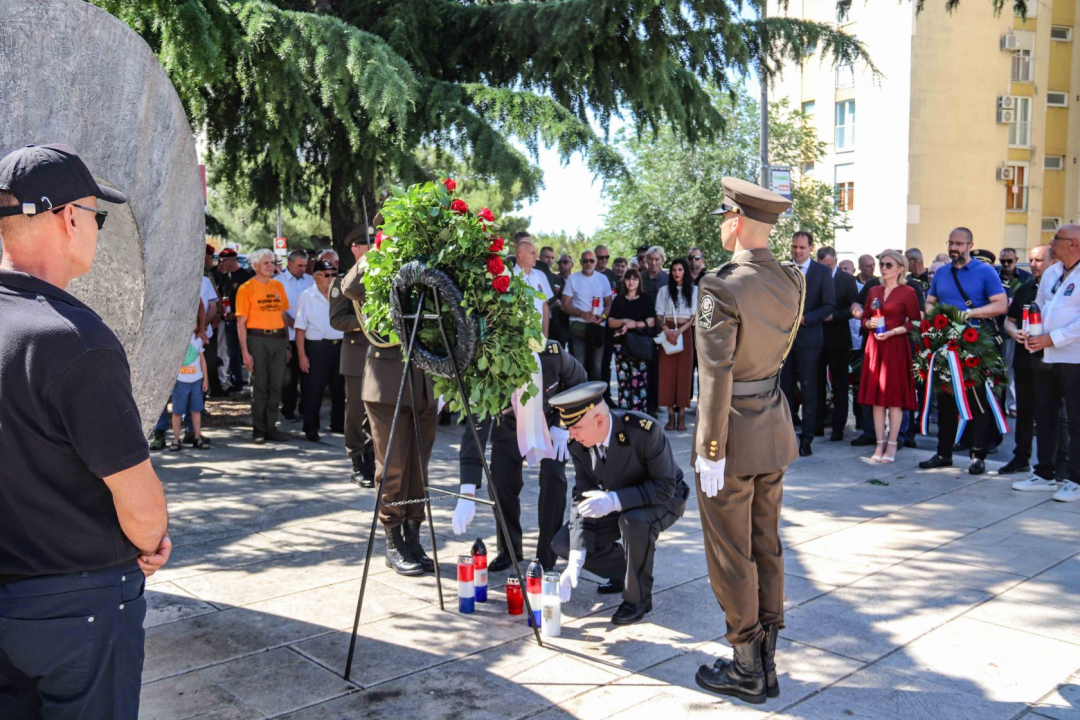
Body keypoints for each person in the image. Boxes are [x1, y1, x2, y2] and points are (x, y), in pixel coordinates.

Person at [0, 143, 170, 717]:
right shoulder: (72, 339)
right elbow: (139, 502)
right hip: (80, 607)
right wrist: (150, 542)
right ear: (69, 217)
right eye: (97, 215)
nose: (97, 228)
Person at [693, 177, 803, 703]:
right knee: (767, 546)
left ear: (735, 222)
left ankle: (745, 663)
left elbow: (716, 375)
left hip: (732, 438)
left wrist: (708, 449)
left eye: (723, 217)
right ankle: (769, 660)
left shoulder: (721, 286)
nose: (721, 225)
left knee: (732, 554)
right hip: (773, 430)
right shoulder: (792, 281)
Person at [551, 382, 689, 625]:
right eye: (569, 428)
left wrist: (615, 500)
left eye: (576, 427)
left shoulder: (644, 430)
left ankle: (638, 599)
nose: (571, 434)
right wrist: (575, 559)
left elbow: (665, 487)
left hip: (661, 498)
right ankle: (627, 573)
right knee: (564, 542)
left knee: (633, 521)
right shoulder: (579, 445)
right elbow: (582, 495)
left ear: (600, 421)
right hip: (612, 500)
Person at [452, 340, 587, 571]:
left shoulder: (551, 353)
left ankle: (547, 556)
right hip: (509, 426)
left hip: (551, 422)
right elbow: (474, 433)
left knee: (553, 479)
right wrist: (466, 492)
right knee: (501, 481)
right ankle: (509, 550)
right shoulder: (485, 368)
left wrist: (566, 424)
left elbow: (580, 381)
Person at [341, 260, 439, 574]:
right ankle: (393, 539)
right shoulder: (379, 263)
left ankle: (413, 535)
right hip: (387, 381)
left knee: (418, 467)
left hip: (424, 382)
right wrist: (375, 254)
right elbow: (349, 288)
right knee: (393, 466)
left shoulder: (427, 261)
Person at [919, 228, 1007, 475]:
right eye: (951, 243)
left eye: (959, 243)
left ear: (970, 245)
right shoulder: (943, 272)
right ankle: (943, 453)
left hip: (973, 343)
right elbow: (930, 301)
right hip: (945, 343)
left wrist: (968, 314)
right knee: (945, 400)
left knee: (976, 400)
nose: (954, 248)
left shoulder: (985, 271)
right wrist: (933, 316)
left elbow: (1001, 304)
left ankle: (978, 455)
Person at [1014, 226, 1080, 502]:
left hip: (1073, 358)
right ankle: (1044, 473)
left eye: (1057, 239)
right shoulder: (1052, 271)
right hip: (1044, 355)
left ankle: (1075, 480)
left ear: (1075, 244)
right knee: (1044, 414)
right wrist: (1030, 333)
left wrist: (1051, 339)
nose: (1051, 243)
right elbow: (1038, 306)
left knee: (1076, 421)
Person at [856, 250, 921, 463]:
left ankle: (892, 444)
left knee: (894, 399)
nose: (883, 268)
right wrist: (868, 323)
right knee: (876, 400)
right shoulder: (874, 289)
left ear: (900, 268)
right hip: (875, 347)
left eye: (889, 265)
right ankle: (879, 443)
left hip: (896, 346)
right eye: (882, 264)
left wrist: (894, 332)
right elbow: (865, 317)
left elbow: (915, 322)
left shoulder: (908, 292)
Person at [779, 230, 835, 457]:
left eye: (802, 247)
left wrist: (805, 318)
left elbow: (829, 304)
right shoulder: (783, 269)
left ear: (811, 248)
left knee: (810, 389)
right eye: (794, 247)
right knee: (784, 389)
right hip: (784, 340)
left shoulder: (822, 272)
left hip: (810, 338)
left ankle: (807, 439)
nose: (797, 251)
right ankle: (785, 436)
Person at [1000, 244, 1052, 476]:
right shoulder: (1024, 289)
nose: (1033, 265)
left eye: (1039, 260)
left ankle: (1050, 465)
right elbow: (1009, 320)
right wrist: (1013, 332)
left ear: (1053, 262)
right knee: (1024, 411)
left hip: (1050, 362)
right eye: (1031, 260)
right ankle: (1021, 458)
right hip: (1024, 360)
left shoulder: (1058, 291)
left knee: (1048, 414)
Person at [329, 230, 376, 486]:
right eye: (365, 245)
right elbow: (336, 320)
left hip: (381, 354)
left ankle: (374, 457)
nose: (370, 249)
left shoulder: (381, 277)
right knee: (356, 411)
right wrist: (366, 322)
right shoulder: (343, 281)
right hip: (357, 354)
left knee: (375, 410)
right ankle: (357, 460)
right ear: (354, 249)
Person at [236, 248, 292, 443]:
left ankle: (271, 428)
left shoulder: (278, 287)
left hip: (278, 340)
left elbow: (283, 317)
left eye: (273, 263)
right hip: (257, 340)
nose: (271, 266)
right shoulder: (246, 288)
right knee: (260, 386)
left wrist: (287, 346)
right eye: (266, 263)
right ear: (255, 266)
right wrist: (245, 352)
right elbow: (240, 323)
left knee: (276, 386)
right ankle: (258, 430)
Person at [295, 259, 345, 443]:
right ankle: (311, 428)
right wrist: (302, 355)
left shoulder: (341, 295)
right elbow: (300, 328)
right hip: (317, 347)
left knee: (340, 388)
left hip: (339, 345)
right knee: (314, 389)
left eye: (334, 274)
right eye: (327, 275)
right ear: (316, 277)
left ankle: (338, 423)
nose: (331, 278)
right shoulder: (306, 296)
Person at [815, 246, 859, 441]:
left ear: (835, 262)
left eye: (829, 265)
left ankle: (838, 428)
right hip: (816, 337)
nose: (825, 268)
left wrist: (835, 316)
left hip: (838, 337)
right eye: (822, 265)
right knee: (816, 384)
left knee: (840, 384)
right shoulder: (813, 277)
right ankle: (816, 424)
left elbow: (854, 307)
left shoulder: (847, 280)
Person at [655, 257, 699, 431]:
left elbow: (694, 316)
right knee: (667, 375)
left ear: (685, 271)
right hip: (668, 332)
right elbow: (659, 314)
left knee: (684, 374)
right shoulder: (664, 291)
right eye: (674, 270)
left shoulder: (694, 290)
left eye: (680, 270)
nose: (676, 273)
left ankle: (681, 416)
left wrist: (679, 332)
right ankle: (670, 416)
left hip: (685, 332)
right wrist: (667, 331)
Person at [561, 249, 613, 381]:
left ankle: (595, 400)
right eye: (585, 261)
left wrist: (603, 317)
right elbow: (565, 305)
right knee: (578, 366)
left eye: (591, 261)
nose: (588, 264)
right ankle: (579, 400)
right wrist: (581, 314)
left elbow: (608, 304)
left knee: (596, 367)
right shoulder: (573, 279)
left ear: (595, 262)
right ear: (580, 262)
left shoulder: (603, 279)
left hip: (597, 326)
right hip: (578, 327)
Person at [609, 268, 656, 412]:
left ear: (639, 281)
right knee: (623, 383)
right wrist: (625, 321)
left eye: (634, 279)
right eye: (628, 279)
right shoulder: (619, 299)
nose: (631, 282)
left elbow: (651, 321)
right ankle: (624, 416)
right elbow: (611, 321)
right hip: (621, 345)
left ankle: (639, 415)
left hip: (639, 346)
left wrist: (633, 324)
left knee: (639, 383)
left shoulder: (645, 299)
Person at [279, 249, 314, 422]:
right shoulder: (279, 282)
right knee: (290, 377)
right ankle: (288, 408)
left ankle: (306, 408)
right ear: (289, 264)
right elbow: (280, 311)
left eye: (305, 266)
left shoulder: (311, 281)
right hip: (289, 336)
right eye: (299, 265)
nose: (303, 269)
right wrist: (296, 324)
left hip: (309, 335)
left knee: (308, 375)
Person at [213, 247, 255, 391]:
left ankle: (254, 380)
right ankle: (236, 382)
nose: (221, 264)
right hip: (230, 321)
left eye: (223, 261)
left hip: (245, 321)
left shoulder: (247, 275)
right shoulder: (226, 276)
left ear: (231, 260)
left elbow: (252, 300)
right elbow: (219, 294)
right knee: (232, 353)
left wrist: (237, 312)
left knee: (249, 351)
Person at [169, 318, 211, 451]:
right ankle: (176, 438)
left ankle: (197, 436)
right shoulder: (176, 340)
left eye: (194, 322)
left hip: (196, 380)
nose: (191, 324)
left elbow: (202, 361)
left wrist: (205, 379)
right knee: (177, 411)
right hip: (180, 381)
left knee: (196, 409)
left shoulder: (197, 340)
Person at [512, 238, 552, 337]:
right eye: (532, 253)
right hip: (518, 337)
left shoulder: (541, 275)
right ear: (521, 256)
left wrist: (545, 334)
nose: (536, 256)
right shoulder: (509, 277)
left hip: (538, 337)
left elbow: (544, 306)